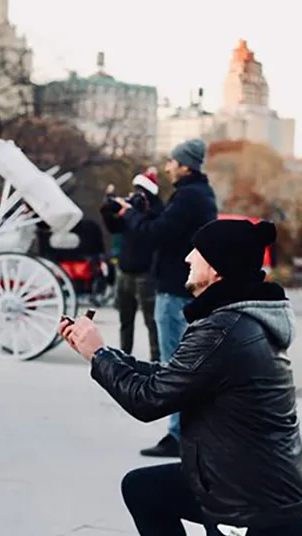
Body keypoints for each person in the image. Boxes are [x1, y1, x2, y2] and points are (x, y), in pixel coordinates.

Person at [60, 218, 302, 536]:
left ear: (218, 267)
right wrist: (104, 353)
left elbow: (148, 401)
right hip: (240, 486)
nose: (188, 257)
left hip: (251, 508)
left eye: (198, 252)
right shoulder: (236, 321)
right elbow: (171, 377)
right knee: (143, 491)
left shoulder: (224, 331)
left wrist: (97, 356)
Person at [113, 138, 217, 457]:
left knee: (175, 366)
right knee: (185, 364)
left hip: (174, 289)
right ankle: (190, 433)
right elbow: (167, 227)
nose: (168, 166)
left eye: (173, 161)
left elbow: (157, 233)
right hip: (185, 289)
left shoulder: (188, 197)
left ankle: (177, 436)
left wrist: (129, 214)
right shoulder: (199, 195)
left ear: (185, 165)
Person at [100, 168, 163, 361]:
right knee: (125, 321)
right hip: (124, 272)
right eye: (136, 189)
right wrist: (107, 211)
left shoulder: (158, 212)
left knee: (151, 322)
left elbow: (156, 229)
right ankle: (124, 359)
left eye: (142, 191)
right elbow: (114, 227)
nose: (137, 194)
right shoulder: (130, 211)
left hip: (146, 274)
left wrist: (139, 211)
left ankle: (156, 362)